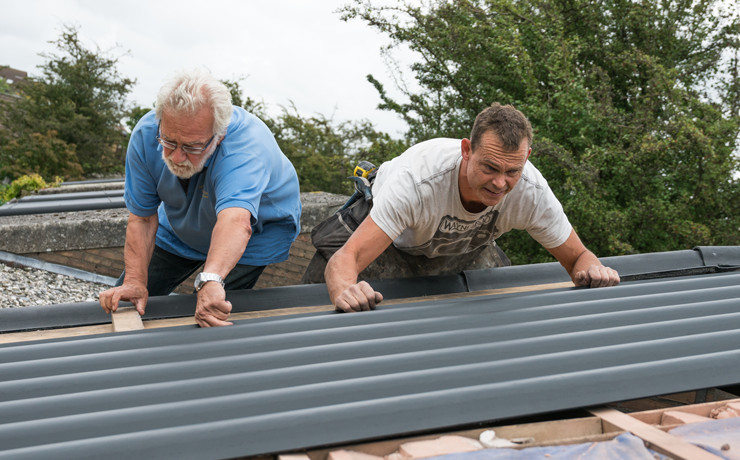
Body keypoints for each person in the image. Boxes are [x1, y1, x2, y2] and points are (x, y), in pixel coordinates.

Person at [310, 103, 619, 313]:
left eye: (512, 171)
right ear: (467, 150)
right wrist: (345, 292)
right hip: (392, 243)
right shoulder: (418, 183)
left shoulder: (531, 191)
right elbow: (345, 260)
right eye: (490, 168)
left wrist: (592, 272)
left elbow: (579, 256)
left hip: (464, 248)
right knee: (319, 306)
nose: (500, 183)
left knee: (497, 311)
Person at [99, 68, 302, 327]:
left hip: (253, 232)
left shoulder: (245, 148)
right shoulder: (146, 133)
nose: (177, 157)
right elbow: (142, 218)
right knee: (127, 303)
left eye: (192, 147)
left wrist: (212, 279)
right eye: (169, 142)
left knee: (211, 313)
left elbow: (235, 221)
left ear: (220, 135)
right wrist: (135, 282)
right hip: (181, 223)